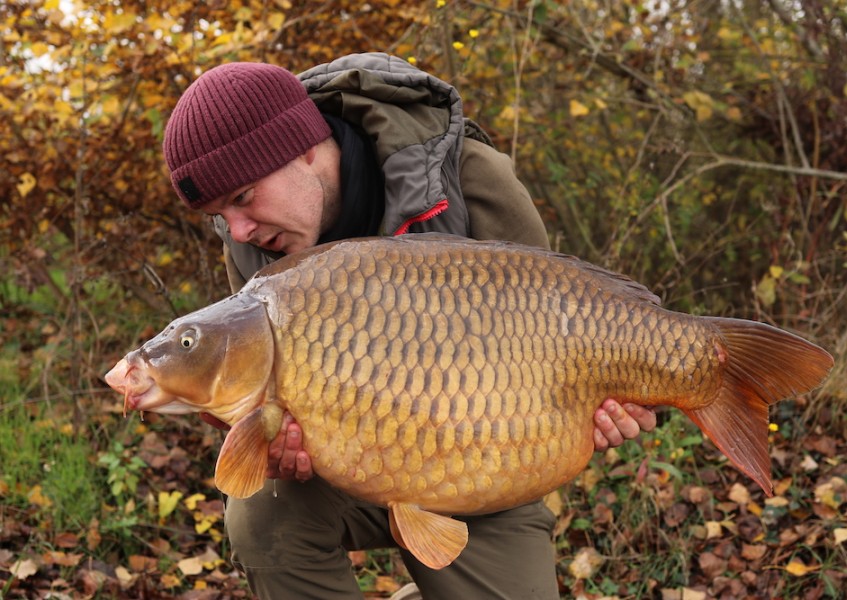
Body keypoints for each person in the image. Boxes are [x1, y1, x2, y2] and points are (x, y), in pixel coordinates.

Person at [162, 53, 657, 600]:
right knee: (261, 513)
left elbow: (552, 329)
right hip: (345, 466)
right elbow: (257, 390)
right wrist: (271, 439)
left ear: (304, 146)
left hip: (480, 462)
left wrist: (599, 404)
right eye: (219, 216)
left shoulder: (470, 175)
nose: (239, 230)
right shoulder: (254, 240)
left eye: (242, 198)